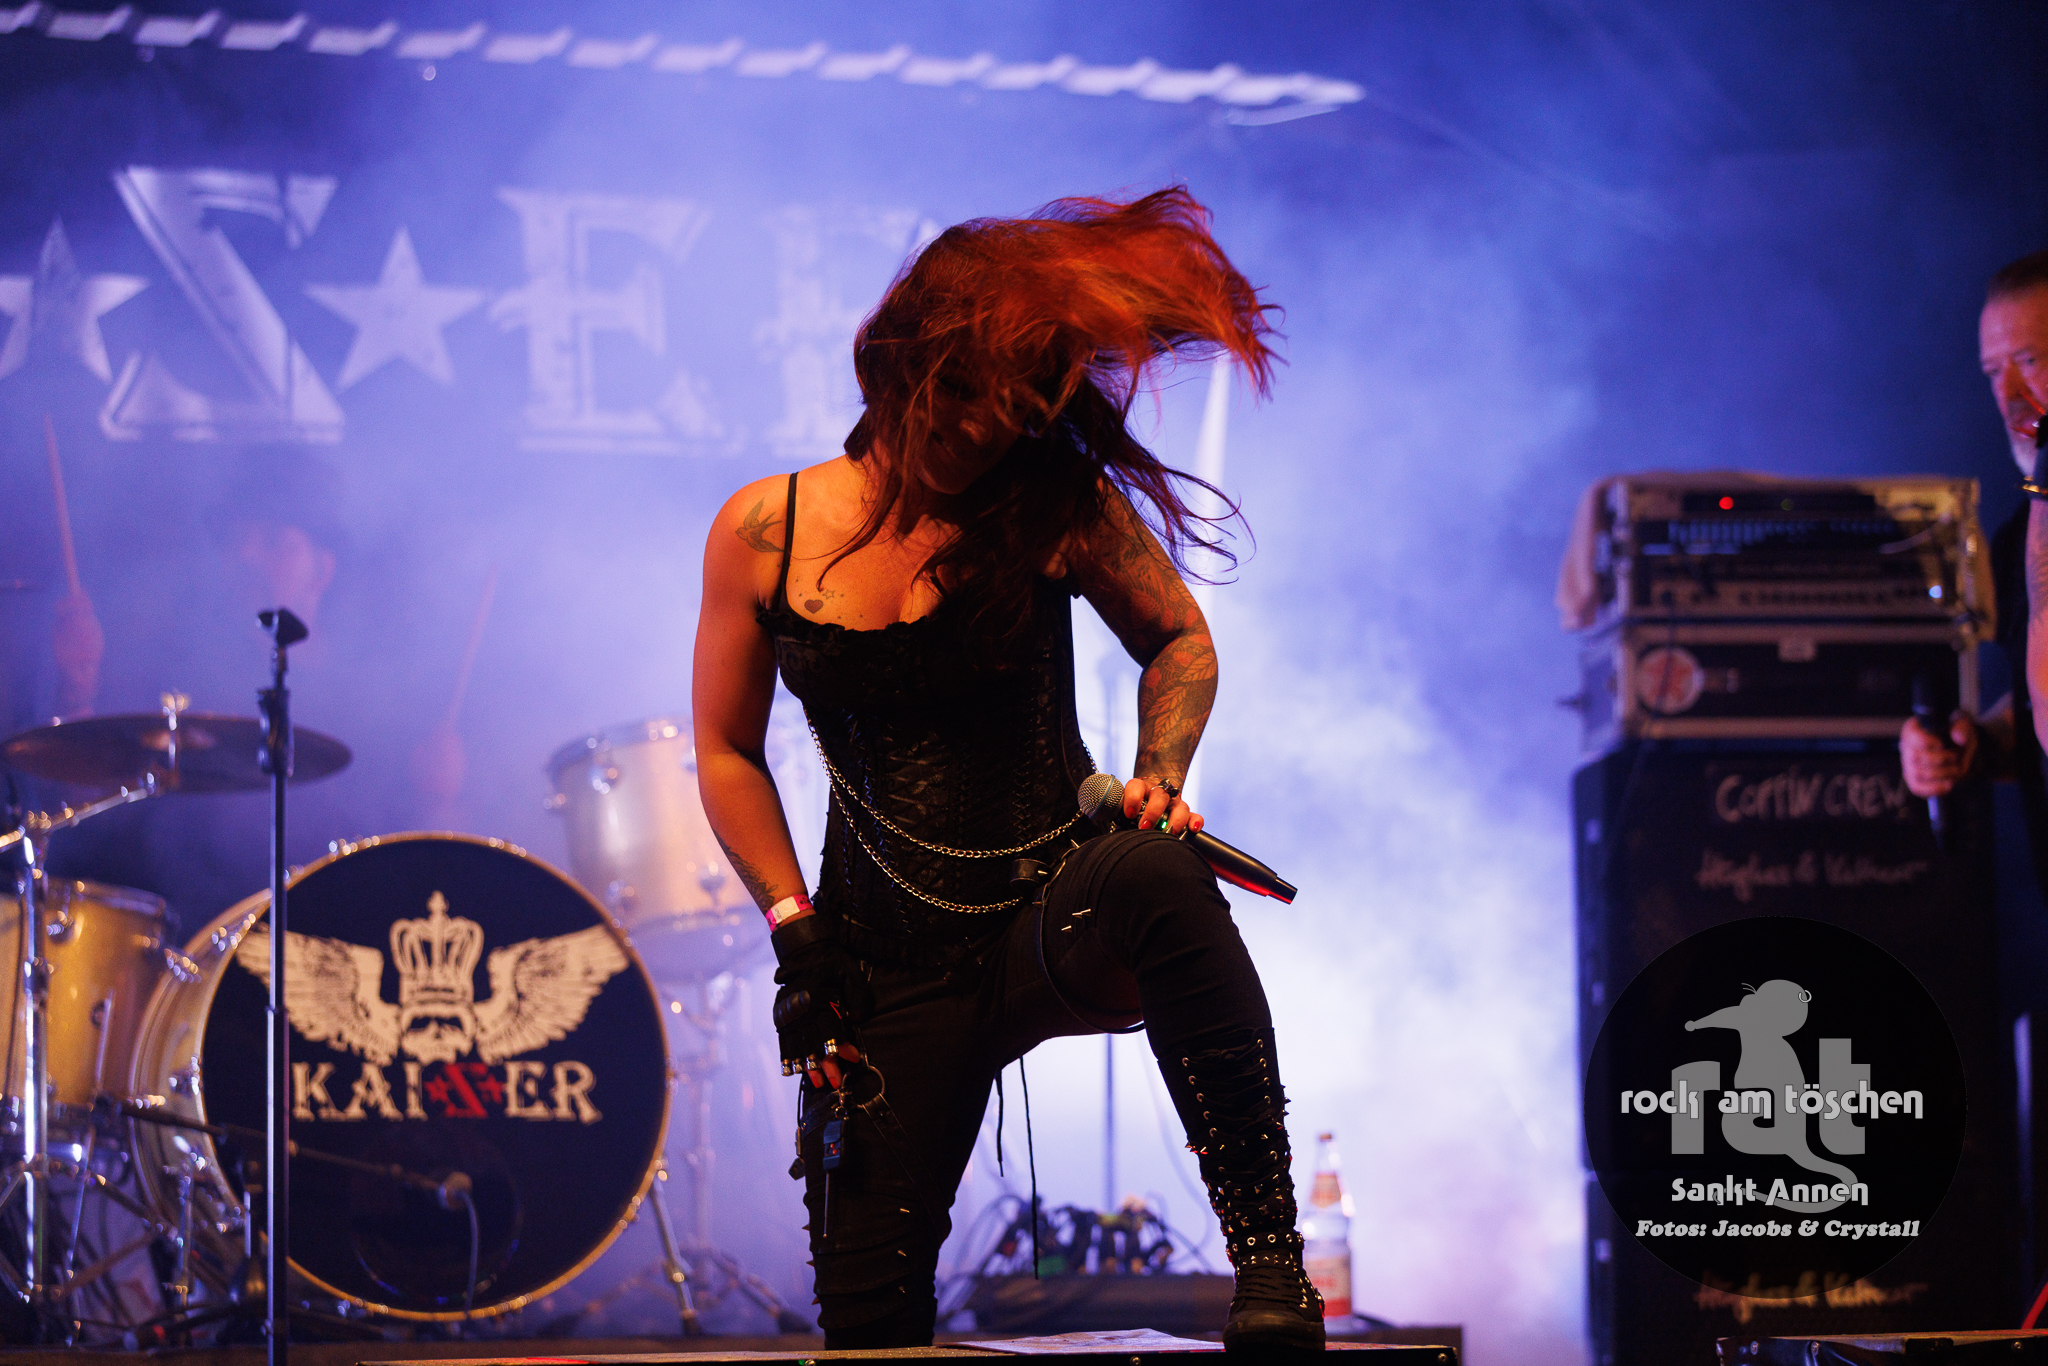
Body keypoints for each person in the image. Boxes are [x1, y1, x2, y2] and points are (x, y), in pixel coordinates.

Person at [692, 189, 1326, 1351]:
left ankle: (1272, 1266)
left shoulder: (1051, 508)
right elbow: (726, 750)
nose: (980, 429)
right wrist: (793, 927)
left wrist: (1157, 771)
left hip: (1051, 908)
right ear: (899, 358)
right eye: (963, 390)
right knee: (868, 1329)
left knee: (1157, 871)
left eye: (1014, 409)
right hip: (881, 956)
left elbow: (1179, 638)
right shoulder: (761, 532)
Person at [1902, 251, 2048, 888]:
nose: (2009, 395)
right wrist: (1972, 748)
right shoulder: (2022, 535)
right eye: (1994, 371)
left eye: (2030, 360)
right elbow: (2035, 712)